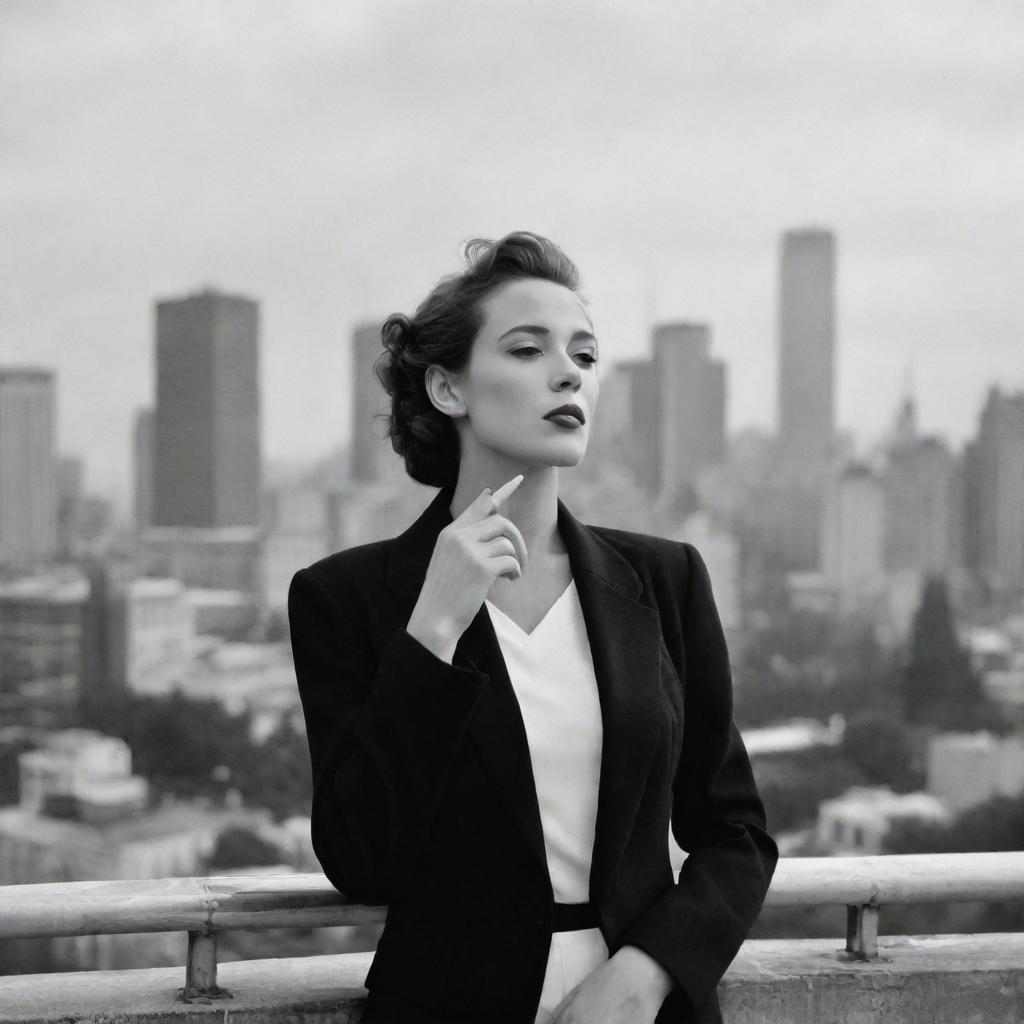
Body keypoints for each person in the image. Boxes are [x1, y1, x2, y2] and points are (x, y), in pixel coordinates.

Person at [288, 231, 779, 1023]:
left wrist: (649, 971)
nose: (568, 375)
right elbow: (361, 858)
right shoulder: (344, 598)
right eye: (528, 350)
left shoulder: (666, 579)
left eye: (584, 356)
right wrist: (434, 629)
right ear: (449, 390)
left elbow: (735, 832)